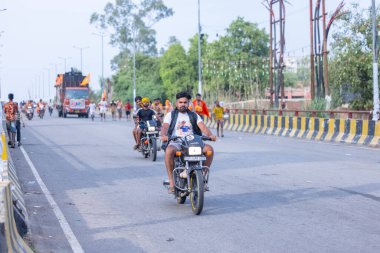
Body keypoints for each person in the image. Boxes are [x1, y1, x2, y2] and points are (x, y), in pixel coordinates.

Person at [161, 91, 216, 193]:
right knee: (169, 151)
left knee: (210, 150)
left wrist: (210, 135)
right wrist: (164, 135)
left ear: (189, 103)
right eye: (180, 102)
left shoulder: (194, 115)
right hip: (177, 142)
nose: (183, 104)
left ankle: (202, 177)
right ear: (177, 103)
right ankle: (172, 183)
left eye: (185, 102)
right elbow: (165, 127)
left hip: (193, 141)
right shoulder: (171, 115)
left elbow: (202, 127)